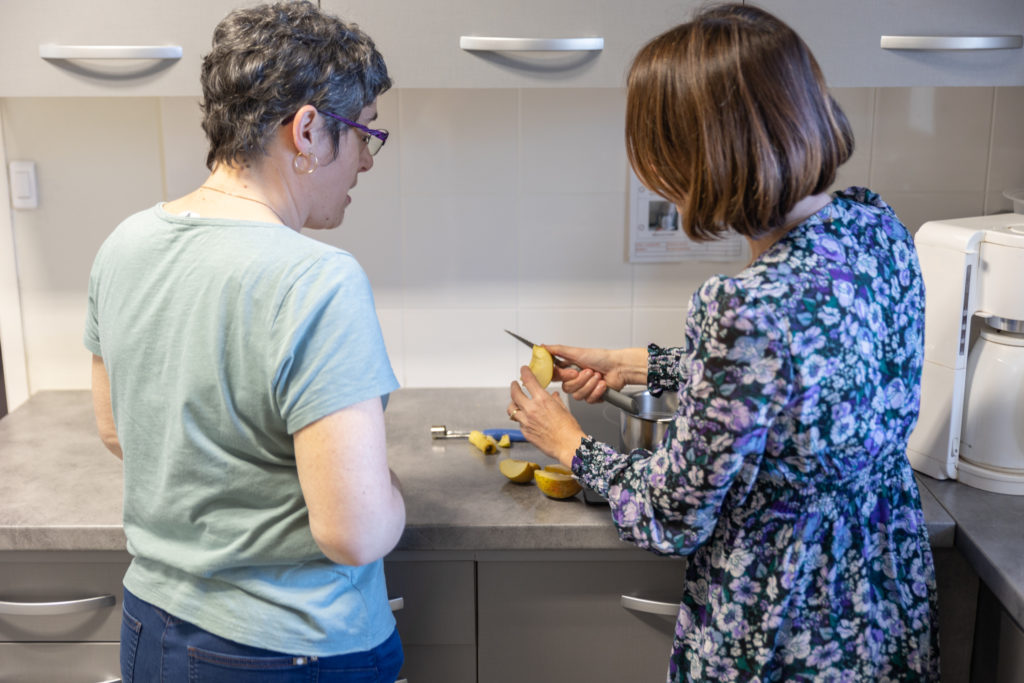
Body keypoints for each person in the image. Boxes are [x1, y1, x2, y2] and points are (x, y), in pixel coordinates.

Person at [508, 4, 940, 681]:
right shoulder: (873, 225)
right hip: (882, 593)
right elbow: (805, 380)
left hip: (784, 623)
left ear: (695, 158)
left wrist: (567, 442)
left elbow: (673, 514)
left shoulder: (738, 305)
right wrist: (636, 363)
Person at [84, 2, 405, 680]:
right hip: (289, 648)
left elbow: (116, 429)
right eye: (363, 134)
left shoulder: (125, 242)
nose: (367, 163)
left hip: (149, 624)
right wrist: (382, 484)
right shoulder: (318, 280)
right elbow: (355, 532)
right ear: (309, 131)